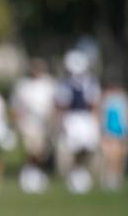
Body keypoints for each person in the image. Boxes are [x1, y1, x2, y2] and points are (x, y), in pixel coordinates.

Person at [55, 49, 101, 194]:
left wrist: (95, 121)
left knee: (87, 148)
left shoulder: (90, 82)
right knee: (72, 149)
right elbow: (62, 105)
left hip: (85, 118)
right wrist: (61, 121)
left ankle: (81, 172)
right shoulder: (65, 84)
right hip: (72, 118)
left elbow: (93, 104)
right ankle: (74, 175)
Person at [10, 58, 55, 194]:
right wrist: (18, 122)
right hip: (27, 123)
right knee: (31, 150)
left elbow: (54, 104)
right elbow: (16, 106)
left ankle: (35, 173)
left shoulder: (49, 84)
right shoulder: (23, 85)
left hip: (44, 124)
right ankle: (29, 174)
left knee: (41, 152)